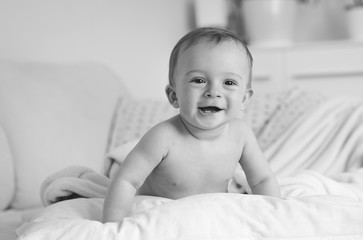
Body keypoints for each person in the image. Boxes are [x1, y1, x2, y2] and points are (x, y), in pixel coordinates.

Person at [102, 27, 281, 223]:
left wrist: (274, 217)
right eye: (199, 80)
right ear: (174, 95)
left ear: (245, 98)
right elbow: (127, 181)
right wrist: (111, 225)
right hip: (163, 211)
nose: (213, 91)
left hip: (212, 214)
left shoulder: (241, 135)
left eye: (229, 82)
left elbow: (262, 179)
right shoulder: (163, 137)